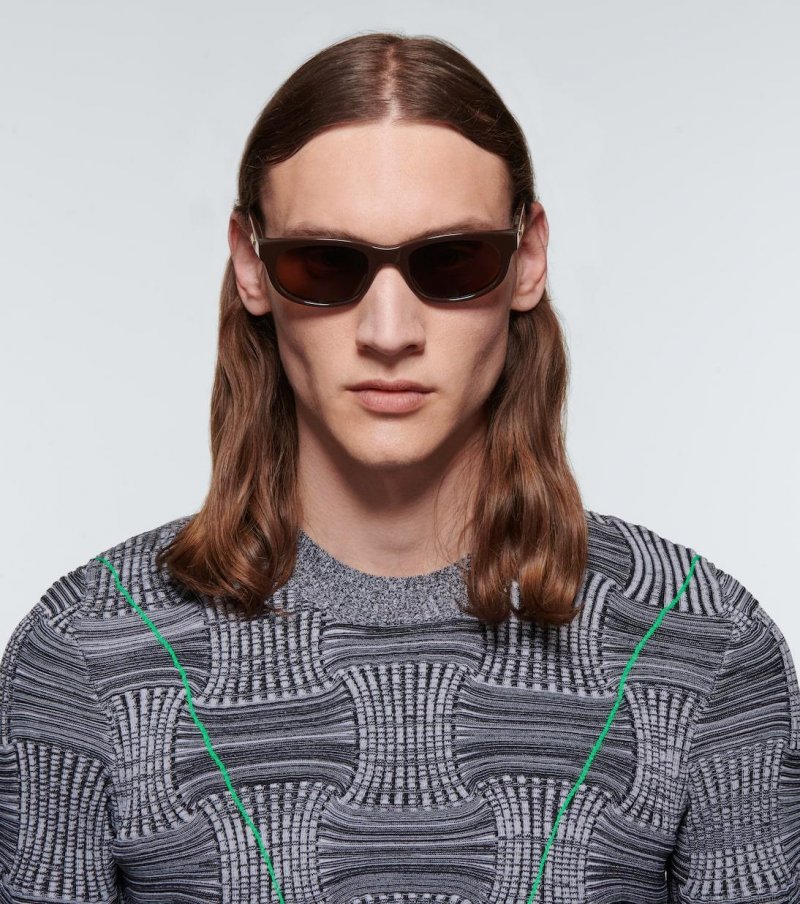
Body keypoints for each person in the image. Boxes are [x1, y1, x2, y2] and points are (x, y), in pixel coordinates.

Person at [1, 30, 798, 904]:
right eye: (325, 264)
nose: (389, 332)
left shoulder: (701, 643)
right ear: (251, 265)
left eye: (451, 262)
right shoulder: (86, 652)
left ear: (528, 258)